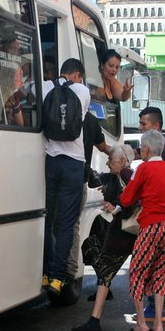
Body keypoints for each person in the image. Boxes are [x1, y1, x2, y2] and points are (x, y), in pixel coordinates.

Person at [71, 145, 136, 331]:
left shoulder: (126, 176)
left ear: (122, 162)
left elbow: (131, 204)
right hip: (123, 234)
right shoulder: (116, 176)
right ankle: (144, 323)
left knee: (110, 273)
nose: (107, 163)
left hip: (123, 235)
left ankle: (95, 320)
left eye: (111, 161)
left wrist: (115, 208)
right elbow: (97, 179)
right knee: (127, 275)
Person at [121, 130, 165, 331]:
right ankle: (158, 325)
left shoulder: (143, 168)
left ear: (145, 148)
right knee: (162, 273)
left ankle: (142, 324)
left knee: (137, 271)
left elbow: (127, 198)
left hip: (151, 225)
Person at [43, 58, 91, 297]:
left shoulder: (45, 87)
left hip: (50, 159)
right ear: (77, 75)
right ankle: (57, 278)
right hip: (74, 163)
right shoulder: (82, 91)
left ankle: (43, 272)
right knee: (66, 224)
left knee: (48, 219)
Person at [136, 106, 165, 320]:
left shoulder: (160, 153)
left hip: (157, 220)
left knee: (151, 266)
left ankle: (154, 309)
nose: (140, 127)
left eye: (143, 123)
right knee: (164, 264)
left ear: (156, 126)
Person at [67, 112, 110, 292]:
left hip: (56, 175)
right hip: (80, 179)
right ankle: (70, 273)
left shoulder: (57, 108)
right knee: (73, 226)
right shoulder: (90, 119)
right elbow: (103, 147)